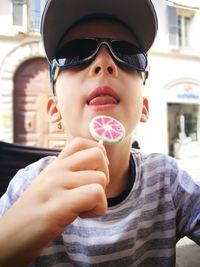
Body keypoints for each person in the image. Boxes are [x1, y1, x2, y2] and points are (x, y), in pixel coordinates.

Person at [0, 0, 199, 266]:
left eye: (128, 54)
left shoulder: (168, 181)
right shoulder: (26, 188)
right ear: (53, 109)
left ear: (144, 108)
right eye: (75, 52)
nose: (104, 62)